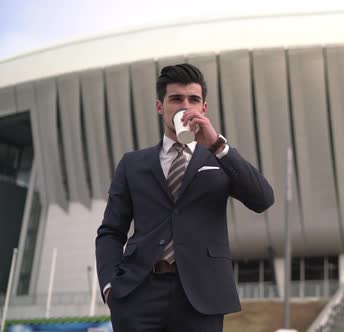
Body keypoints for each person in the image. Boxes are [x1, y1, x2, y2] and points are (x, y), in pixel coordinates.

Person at [95, 63, 274, 331]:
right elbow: (111, 231)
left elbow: (262, 199)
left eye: (194, 99)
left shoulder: (219, 158)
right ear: (160, 106)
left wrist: (218, 145)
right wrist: (110, 286)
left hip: (202, 296)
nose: (185, 106)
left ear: (204, 108)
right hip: (137, 294)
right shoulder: (132, 164)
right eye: (176, 99)